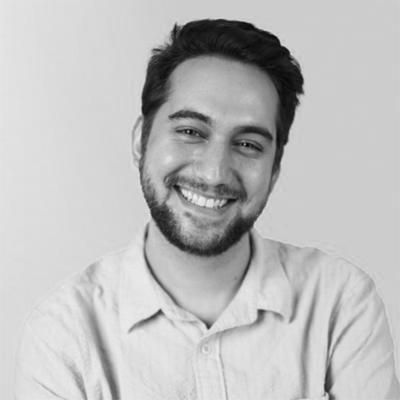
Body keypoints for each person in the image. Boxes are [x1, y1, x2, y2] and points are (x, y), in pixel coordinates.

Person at [15, 19, 399, 399]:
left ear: (274, 170)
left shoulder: (340, 303)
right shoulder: (63, 333)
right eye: (191, 132)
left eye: (248, 144)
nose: (215, 173)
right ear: (140, 140)